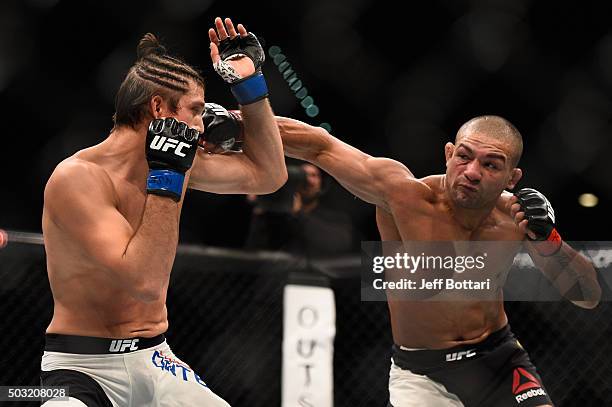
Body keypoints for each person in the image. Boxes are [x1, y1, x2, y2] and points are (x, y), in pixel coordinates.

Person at [208, 110, 602, 406]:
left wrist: (548, 238)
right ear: (448, 154)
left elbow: (587, 296)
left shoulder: (515, 217)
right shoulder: (404, 196)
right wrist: (233, 121)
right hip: (421, 370)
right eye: (464, 156)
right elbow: (319, 144)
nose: (472, 171)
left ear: (511, 178)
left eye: (490, 164)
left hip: (498, 357)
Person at [39, 17, 286, 406]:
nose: (202, 123)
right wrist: (167, 177)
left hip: (157, 357)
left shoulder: (179, 163)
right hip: (81, 368)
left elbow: (268, 175)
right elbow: (144, 282)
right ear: (159, 108)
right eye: (195, 109)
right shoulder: (78, 179)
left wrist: (250, 89)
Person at [244, 162, 355, 256]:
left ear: (321, 185)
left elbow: (338, 245)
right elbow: (254, 252)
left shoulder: (336, 218)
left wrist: (298, 213)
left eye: (313, 175)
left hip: (318, 278)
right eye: (303, 175)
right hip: (280, 278)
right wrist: (262, 207)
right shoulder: (277, 215)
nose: (307, 180)